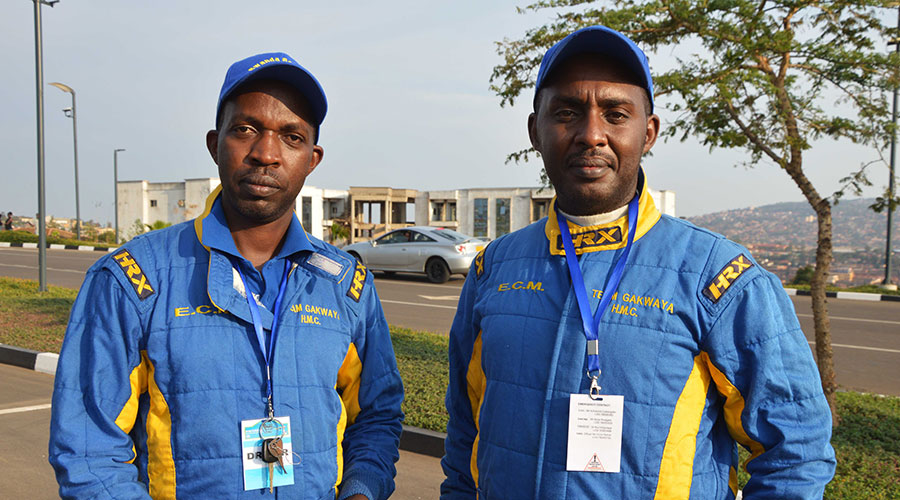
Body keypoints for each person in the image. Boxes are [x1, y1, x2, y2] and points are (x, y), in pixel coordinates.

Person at [441, 26, 835, 499]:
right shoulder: (495, 269)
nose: (591, 135)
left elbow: (796, 453)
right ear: (535, 130)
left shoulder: (718, 277)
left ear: (648, 133)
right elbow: (466, 432)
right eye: (566, 112)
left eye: (616, 114)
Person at [49, 52, 404, 500]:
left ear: (312, 159)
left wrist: (360, 491)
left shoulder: (344, 284)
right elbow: (88, 452)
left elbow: (376, 414)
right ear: (215, 142)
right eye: (246, 129)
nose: (266, 154)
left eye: (291, 137)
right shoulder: (131, 279)